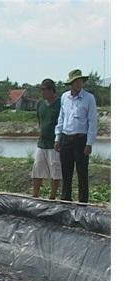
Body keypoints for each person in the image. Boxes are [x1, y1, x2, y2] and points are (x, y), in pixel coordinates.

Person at [54, 69, 98, 203]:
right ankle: (65, 200)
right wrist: (57, 138)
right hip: (66, 138)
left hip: (81, 140)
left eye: (80, 81)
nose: (79, 84)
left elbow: (92, 121)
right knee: (66, 172)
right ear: (71, 83)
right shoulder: (64, 97)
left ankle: (83, 202)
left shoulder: (89, 98)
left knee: (82, 172)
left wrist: (89, 143)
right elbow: (61, 118)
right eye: (76, 81)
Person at [31, 79, 62, 199]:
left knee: (55, 170)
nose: (42, 92)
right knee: (37, 168)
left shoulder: (60, 104)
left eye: (44, 90)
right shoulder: (40, 104)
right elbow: (40, 120)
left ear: (51, 90)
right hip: (42, 143)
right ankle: (35, 196)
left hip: (54, 143)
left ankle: (52, 197)